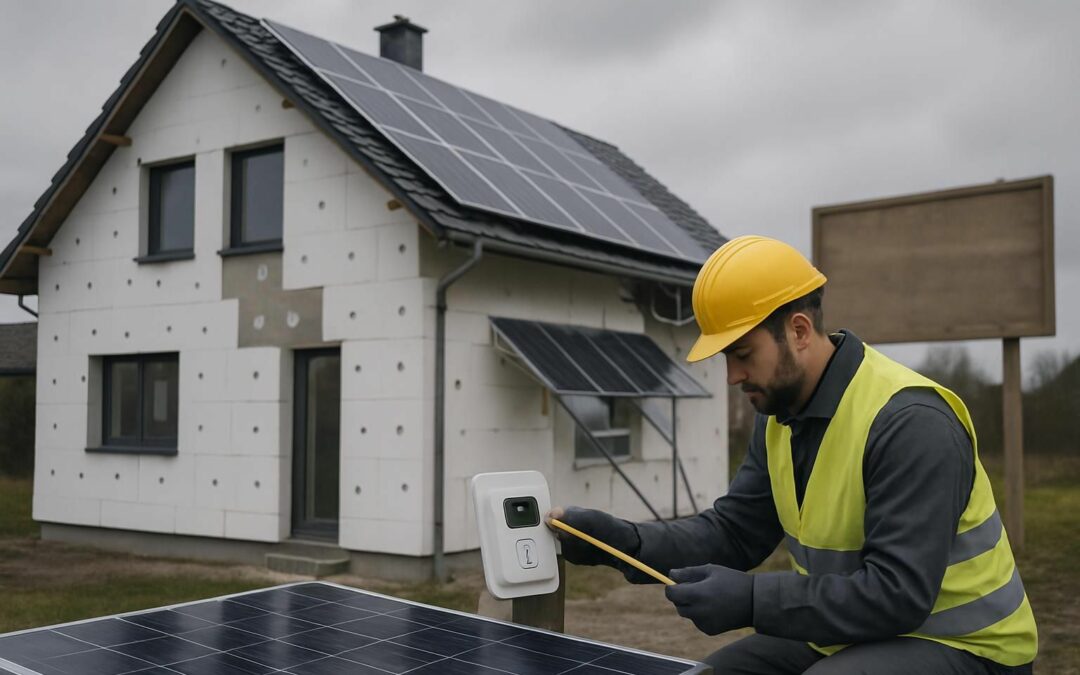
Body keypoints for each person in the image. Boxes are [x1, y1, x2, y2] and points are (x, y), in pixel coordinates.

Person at [547, 235, 1037, 674]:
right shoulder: (779, 416)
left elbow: (897, 594)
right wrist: (625, 543)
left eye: (742, 354)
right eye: (726, 359)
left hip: (970, 649)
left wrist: (753, 600)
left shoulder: (910, 424)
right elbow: (734, 533)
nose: (732, 377)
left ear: (799, 331)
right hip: (853, 634)